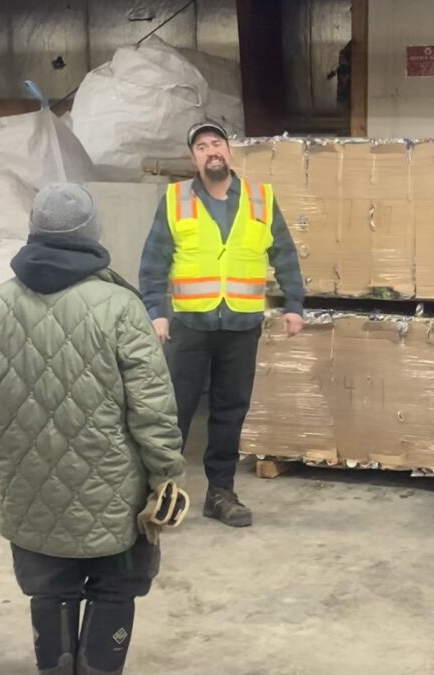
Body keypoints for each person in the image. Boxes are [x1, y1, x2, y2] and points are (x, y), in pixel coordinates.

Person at [0, 184, 188, 675]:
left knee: (49, 589)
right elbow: (152, 405)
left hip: (27, 487)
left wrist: (6, 453)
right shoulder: (120, 306)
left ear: (34, 232)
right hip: (114, 494)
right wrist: (165, 471)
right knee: (114, 589)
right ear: (91, 234)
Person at [139, 121, 306, 528]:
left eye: (217, 143)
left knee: (230, 411)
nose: (211, 150)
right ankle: (161, 492)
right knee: (175, 411)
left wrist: (294, 303)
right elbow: (155, 260)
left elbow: (283, 251)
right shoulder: (175, 199)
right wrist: (156, 311)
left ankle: (221, 493)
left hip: (240, 324)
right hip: (189, 325)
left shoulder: (259, 199)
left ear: (229, 152)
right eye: (201, 146)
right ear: (193, 158)